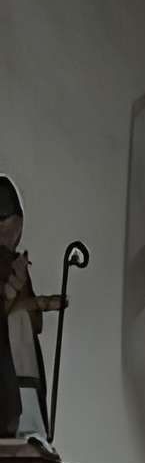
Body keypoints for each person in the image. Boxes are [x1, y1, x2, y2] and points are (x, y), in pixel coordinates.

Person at [0, 178, 61, 445]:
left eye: (14, 226)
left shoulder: (16, 263)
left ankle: (30, 427)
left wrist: (33, 306)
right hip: (4, 358)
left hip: (19, 356)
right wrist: (37, 304)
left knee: (21, 325)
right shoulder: (10, 265)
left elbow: (35, 324)